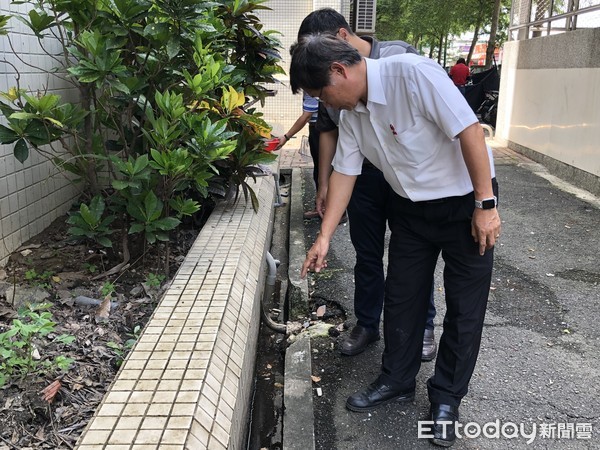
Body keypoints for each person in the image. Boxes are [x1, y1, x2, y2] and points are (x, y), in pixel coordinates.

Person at [291, 34, 501, 447]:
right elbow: (345, 172)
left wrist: (486, 204)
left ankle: (446, 399)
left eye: (323, 94)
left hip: (465, 206)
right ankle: (397, 379)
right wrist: (326, 236)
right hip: (411, 211)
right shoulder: (352, 114)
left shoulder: (414, 74)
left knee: (464, 308)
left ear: (340, 70)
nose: (327, 106)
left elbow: (470, 131)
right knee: (402, 299)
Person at [297, 8, 437, 361]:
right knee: (367, 252)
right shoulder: (334, 90)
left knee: (414, 255)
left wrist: (484, 200)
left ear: (341, 39)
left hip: (406, 174)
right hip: (359, 172)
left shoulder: (400, 59)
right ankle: (368, 324)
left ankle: (422, 326)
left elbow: (452, 123)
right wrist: (324, 183)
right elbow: (329, 130)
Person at [277, 92, 321, 218]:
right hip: (318, 128)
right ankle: (323, 206)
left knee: (323, 171)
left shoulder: (311, 85)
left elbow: (306, 116)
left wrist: (286, 137)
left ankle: (327, 209)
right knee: (320, 170)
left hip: (320, 130)